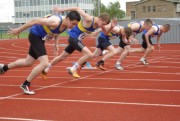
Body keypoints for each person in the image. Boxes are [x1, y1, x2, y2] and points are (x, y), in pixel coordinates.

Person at [0, 11, 81, 95]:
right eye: (73, 23)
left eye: (75, 25)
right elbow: (33, 21)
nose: (74, 26)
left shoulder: (65, 24)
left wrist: (56, 44)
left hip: (40, 38)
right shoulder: (55, 21)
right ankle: (25, 84)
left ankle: (4, 68)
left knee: (28, 62)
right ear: (67, 19)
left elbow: (57, 32)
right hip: (35, 35)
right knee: (45, 63)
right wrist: (18, 30)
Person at [43, 6, 113, 79]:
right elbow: (77, 8)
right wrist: (61, 10)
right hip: (73, 38)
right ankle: (73, 69)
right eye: (103, 24)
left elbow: (105, 33)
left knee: (62, 57)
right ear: (100, 19)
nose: (103, 26)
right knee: (89, 54)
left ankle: (46, 68)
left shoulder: (99, 24)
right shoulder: (89, 19)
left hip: (76, 40)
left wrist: (111, 27)